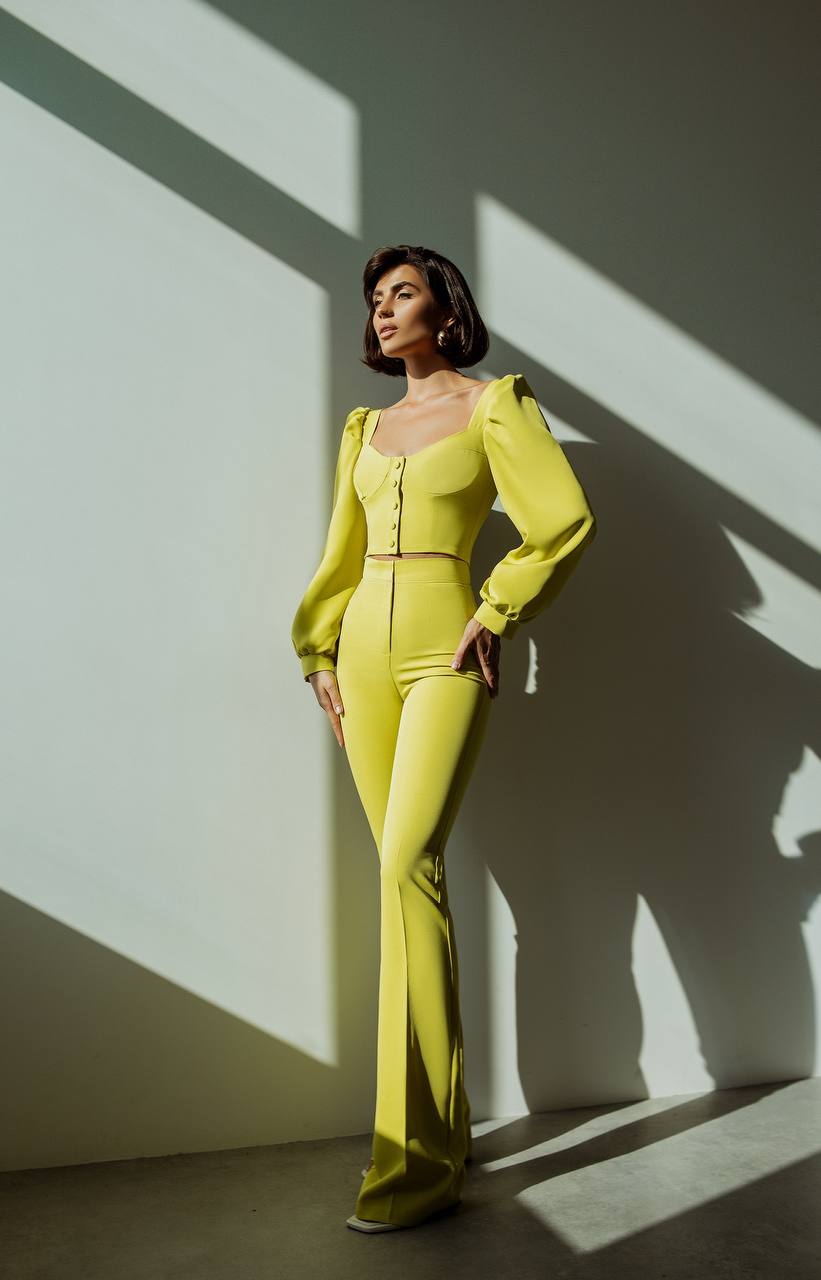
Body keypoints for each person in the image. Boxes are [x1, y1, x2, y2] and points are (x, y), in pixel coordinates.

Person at [290, 244, 597, 1232]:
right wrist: (316, 652)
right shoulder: (364, 427)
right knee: (404, 884)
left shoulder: (493, 403)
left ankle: (414, 1161)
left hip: (442, 649)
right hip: (363, 658)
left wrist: (498, 608)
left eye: (403, 292)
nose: (383, 310)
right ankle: (442, 1130)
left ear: (443, 305)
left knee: (402, 864)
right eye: (374, 298)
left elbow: (559, 519)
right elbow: (338, 554)